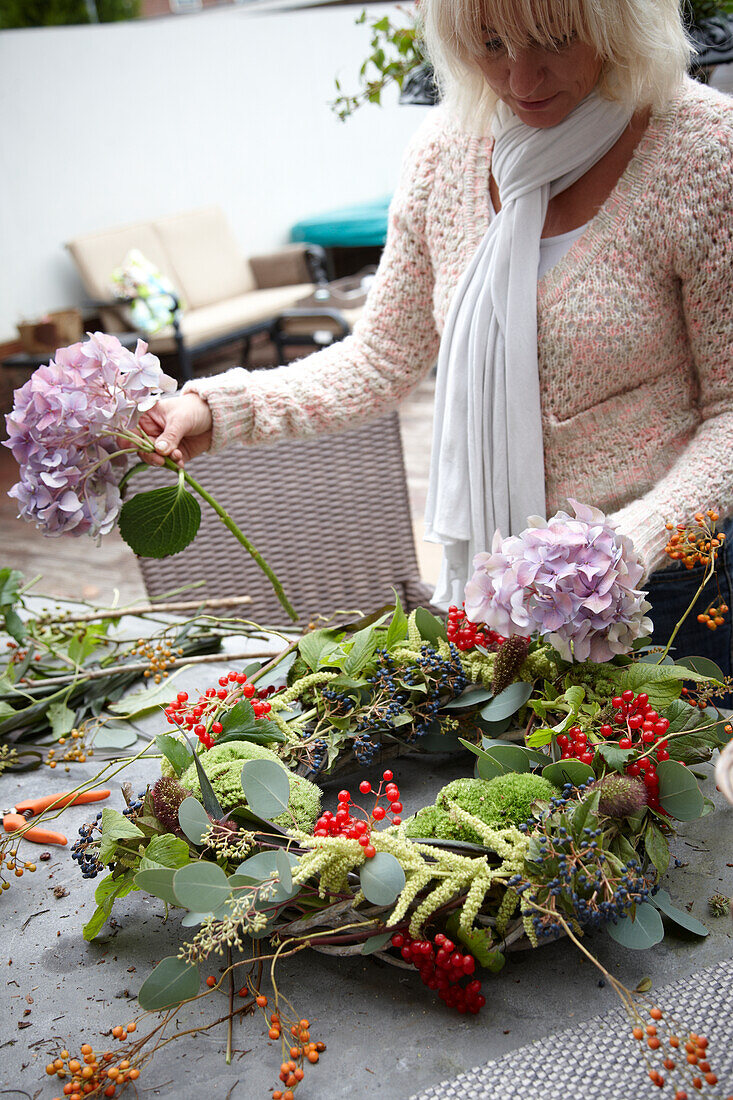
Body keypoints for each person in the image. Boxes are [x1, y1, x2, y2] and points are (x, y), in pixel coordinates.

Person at [139, 0, 733, 673]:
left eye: (554, 40)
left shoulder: (701, 149)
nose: (520, 77)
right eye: (489, 44)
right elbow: (381, 357)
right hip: (501, 578)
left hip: (671, 583)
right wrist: (219, 408)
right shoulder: (446, 150)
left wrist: (626, 545)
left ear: (614, 24)